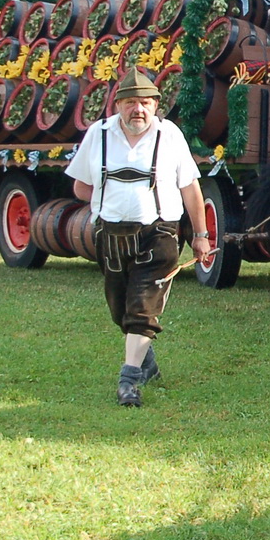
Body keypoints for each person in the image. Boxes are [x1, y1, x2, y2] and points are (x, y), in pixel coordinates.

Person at [66, 68, 212, 406]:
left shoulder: (169, 135)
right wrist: (111, 201)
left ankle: (128, 380)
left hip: (158, 234)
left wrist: (201, 236)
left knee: (143, 308)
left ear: (156, 105)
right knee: (121, 310)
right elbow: (80, 185)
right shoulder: (98, 135)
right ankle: (146, 363)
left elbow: (190, 188)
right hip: (110, 235)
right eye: (131, 102)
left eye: (145, 102)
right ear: (118, 106)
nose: (139, 110)